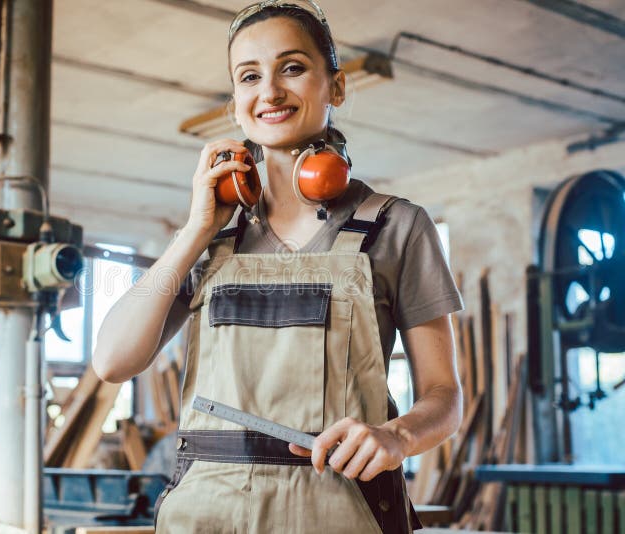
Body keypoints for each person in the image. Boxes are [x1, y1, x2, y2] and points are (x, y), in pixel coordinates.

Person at [92, 1, 463, 532]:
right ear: (236, 103)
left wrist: (397, 437)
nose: (269, 91)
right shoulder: (207, 239)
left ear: (336, 87)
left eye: (292, 67)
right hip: (208, 516)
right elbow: (111, 361)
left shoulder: (397, 226)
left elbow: (444, 397)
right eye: (249, 76)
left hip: (343, 511)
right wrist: (194, 232)